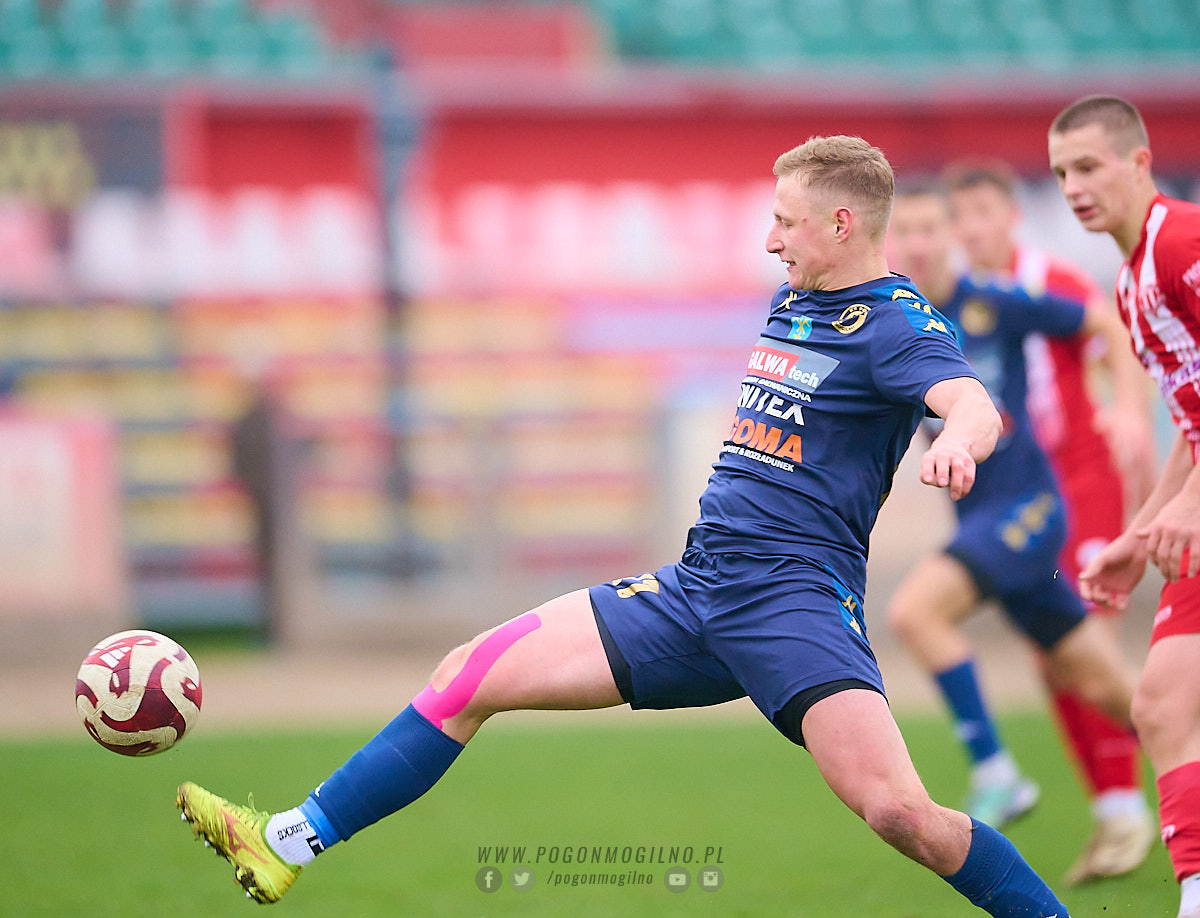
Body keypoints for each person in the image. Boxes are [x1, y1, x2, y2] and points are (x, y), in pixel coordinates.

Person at [176, 135, 1073, 917]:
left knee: (902, 815)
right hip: (696, 589)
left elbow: (972, 402)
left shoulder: (895, 324)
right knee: (468, 675)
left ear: (842, 224)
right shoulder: (794, 300)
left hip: (792, 606)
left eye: (786, 222)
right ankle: (285, 840)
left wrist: (959, 443)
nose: (771, 238)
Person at [884, 182, 1138, 849]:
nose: (917, 242)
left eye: (929, 227)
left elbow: (1102, 321)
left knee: (915, 612)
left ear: (951, 236)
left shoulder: (995, 303)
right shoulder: (895, 326)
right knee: (1106, 687)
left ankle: (995, 772)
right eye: (904, 231)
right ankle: (1184, 752)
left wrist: (1129, 411)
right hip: (981, 522)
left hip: (1028, 507)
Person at [944, 162, 1155, 884]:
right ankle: (1116, 805)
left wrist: (1129, 414)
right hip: (1021, 499)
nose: (971, 229)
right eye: (961, 217)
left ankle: (1132, 803)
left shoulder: (1046, 280)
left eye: (983, 212)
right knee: (1053, 654)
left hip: (1082, 480)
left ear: (1010, 216)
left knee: (1087, 637)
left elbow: (1112, 334)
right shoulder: (957, 304)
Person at [1048, 94, 1200, 918]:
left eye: (1089, 166)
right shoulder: (1130, 282)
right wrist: (1142, 535)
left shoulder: (1181, 242)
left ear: (1140, 162)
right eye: (1060, 173)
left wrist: (1191, 506)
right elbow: (1192, 424)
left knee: (1166, 704)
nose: (1074, 187)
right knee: (1162, 705)